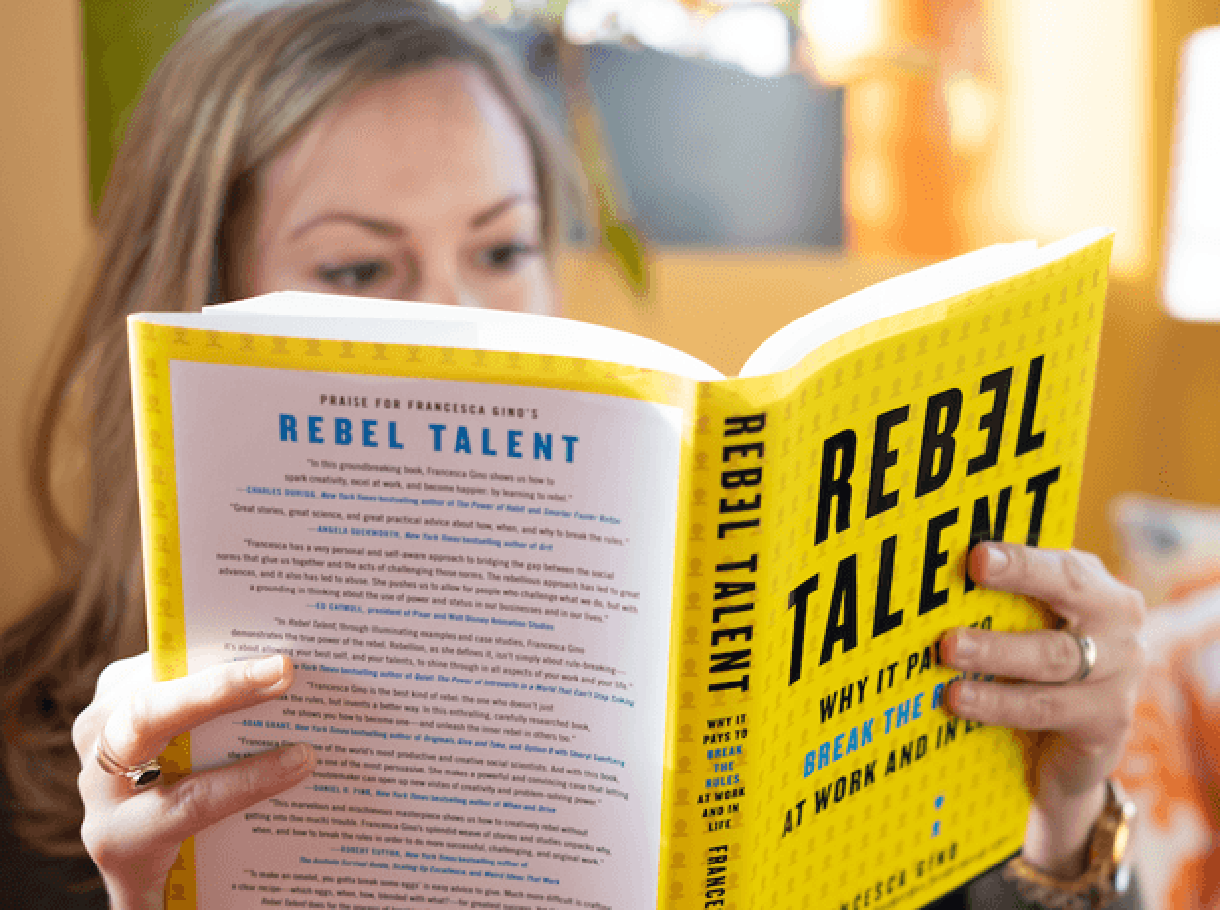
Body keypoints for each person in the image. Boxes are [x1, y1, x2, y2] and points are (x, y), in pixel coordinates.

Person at [0, 1, 1147, 908]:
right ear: (200, 300)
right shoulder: (24, 744)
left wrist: (1059, 814)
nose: (459, 323)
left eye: (501, 247)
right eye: (358, 272)